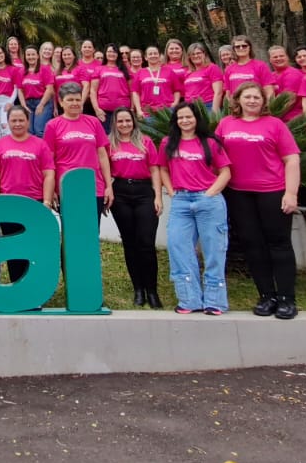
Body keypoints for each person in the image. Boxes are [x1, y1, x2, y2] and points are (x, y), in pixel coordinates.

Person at [217, 83, 302, 319]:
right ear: (237, 100)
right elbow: (216, 155)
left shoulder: (275, 124)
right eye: (247, 97)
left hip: (272, 192)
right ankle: (266, 296)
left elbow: (292, 159)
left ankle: (286, 298)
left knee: (279, 244)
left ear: (264, 101)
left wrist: (291, 192)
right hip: (238, 194)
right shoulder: (226, 124)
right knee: (252, 245)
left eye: (257, 97)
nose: (252, 101)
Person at [159, 101, 232, 314]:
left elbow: (225, 172)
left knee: (214, 251)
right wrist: (171, 191)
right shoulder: (167, 143)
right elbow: (162, 169)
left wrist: (210, 193)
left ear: (197, 119)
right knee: (178, 247)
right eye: (180, 117)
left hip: (208, 201)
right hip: (181, 201)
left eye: (188, 117)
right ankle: (189, 300)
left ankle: (215, 302)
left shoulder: (210, 142)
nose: (185, 121)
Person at [0, 105, 56, 284]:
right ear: (8, 122)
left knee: (34, 247)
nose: (17, 124)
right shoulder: (0, 144)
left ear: (28, 121)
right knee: (13, 248)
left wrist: (47, 201)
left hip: (34, 203)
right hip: (9, 204)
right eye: (13, 120)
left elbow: (49, 174)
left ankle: (36, 286)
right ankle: (17, 285)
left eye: (21, 120)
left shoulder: (40, 144)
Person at [108, 109, 164, 308]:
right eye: (120, 121)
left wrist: (158, 196)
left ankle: (152, 291)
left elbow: (154, 169)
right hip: (121, 193)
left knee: (146, 243)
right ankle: (138, 290)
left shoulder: (145, 141)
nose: (124, 124)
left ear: (133, 122)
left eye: (128, 120)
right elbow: (104, 169)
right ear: (115, 123)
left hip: (144, 193)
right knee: (130, 244)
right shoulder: (109, 143)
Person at [44, 83, 114, 215]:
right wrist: (51, 189)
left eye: (78, 99)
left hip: (94, 186)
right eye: (70, 100)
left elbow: (102, 156)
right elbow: (49, 162)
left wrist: (108, 186)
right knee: (72, 227)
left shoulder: (94, 122)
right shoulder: (52, 125)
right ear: (61, 102)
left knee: (93, 226)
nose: (75, 103)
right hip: (66, 186)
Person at [89, 44, 131, 133]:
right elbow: (93, 90)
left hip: (123, 110)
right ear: (105, 53)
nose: (112, 53)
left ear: (118, 54)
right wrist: (96, 109)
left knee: (123, 135)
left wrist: (132, 108)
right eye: (109, 51)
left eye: (114, 52)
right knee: (106, 136)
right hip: (104, 111)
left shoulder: (125, 69)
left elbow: (132, 91)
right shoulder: (99, 69)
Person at [223, 35, 275, 101]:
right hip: (236, 105)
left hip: (255, 104)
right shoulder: (229, 69)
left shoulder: (261, 65)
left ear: (250, 47)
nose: (241, 48)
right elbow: (228, 94)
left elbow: (269, 91)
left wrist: (266, 105)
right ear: (234, 49)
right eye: (237, 46)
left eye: (244, 46)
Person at [134, 45, 177, 121]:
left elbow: (177, 89)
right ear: (146, 57)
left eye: (155, 53)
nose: (153, 55)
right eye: (150, 54)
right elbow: (135, 92)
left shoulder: (169, 71)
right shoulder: (140, 72)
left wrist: (175, 103)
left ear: (159, 56)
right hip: (147, 111)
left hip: (167, 110)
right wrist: (138, 110)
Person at [180, 42, 225, 113]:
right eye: (193, 54)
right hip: (190, 107)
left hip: (207, 106)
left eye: (198, 53)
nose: (196, 56)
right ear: (189, 57)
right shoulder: (188, 72)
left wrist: (215, 111)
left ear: (204, 54)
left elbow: (218, 92)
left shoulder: (212, 68)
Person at [20, 45, 53, 137]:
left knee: (39, 130)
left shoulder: (45, 69)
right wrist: (23, 105)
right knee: (29, 131)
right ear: (25, 57)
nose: (31, 57)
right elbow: (20, 89)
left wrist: (41, 104)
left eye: (33, 54)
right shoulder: (22, 71)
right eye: (28, 55)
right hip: (28, 104)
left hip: (43, 102)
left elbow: (50, 89)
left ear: (38, 56)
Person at [267, 45, 305, 121]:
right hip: (277, 118)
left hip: (292, 119)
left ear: (287, 57)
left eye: (281, 56)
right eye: (275, 57)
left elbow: (289, 99)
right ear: (270, 60)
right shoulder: (271, 75)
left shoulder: (293, 74)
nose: (279, 58)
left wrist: (272, 116)